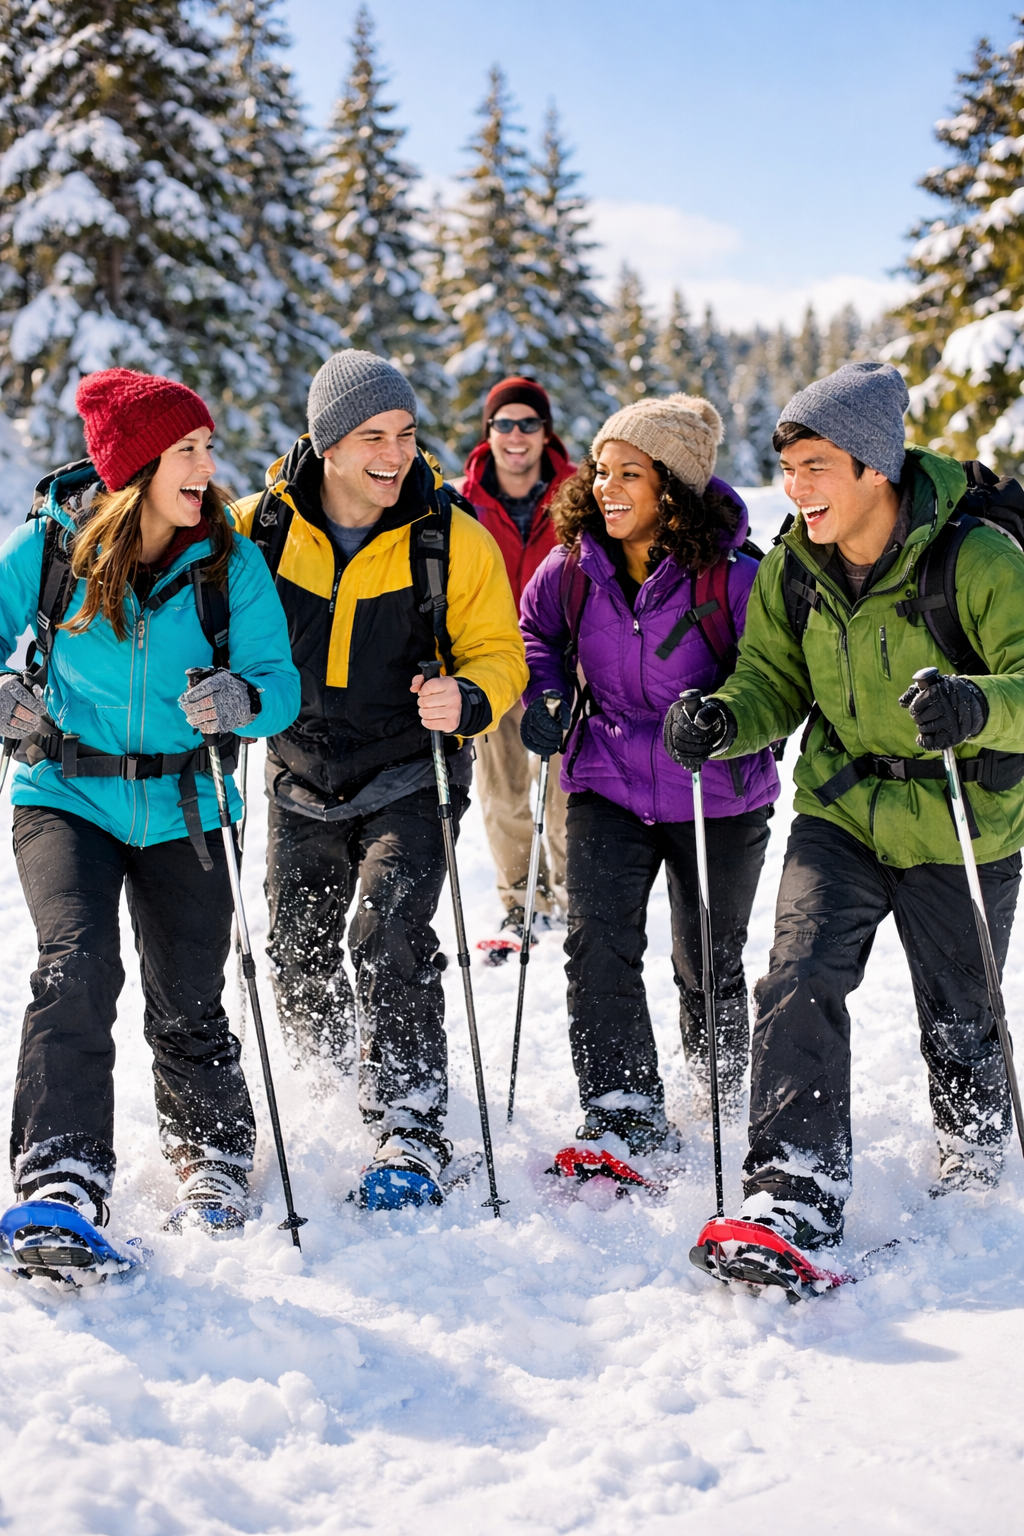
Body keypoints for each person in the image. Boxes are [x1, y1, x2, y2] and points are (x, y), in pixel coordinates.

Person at [665, 361, 1024, 1257]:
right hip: (843, 810)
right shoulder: (794, 565)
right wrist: (724, 718)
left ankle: (974, 1138)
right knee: (797, 976)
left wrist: (976, 705)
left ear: (875, 467)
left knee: (961, 1005)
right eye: (787, 469)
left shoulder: (977, 559)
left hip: (961, 818)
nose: (796, 488)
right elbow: (771, 682)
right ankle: (793, 1186)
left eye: (815, 466)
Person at [0, 368, 300, 1253]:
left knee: (188, 993)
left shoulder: (229, 562)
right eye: (186, 451)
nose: (207, 468)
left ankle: (209, 1151)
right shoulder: (50, 549)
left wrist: (243, 700)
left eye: (207, 448)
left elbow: (279, 684)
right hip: (65, 792)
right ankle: (60, 1168)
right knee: (76, 964)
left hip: (188, 802)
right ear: (134, 469)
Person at [230, 349, 527, 1207]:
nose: (393, 455)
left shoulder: (449, 536)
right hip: (296, 771)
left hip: (409, 770)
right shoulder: (257, 530)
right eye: (371, 437)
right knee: (298, 942)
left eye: (404, 434)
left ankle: (408, 1123)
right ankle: (325, 1090)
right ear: (326, 444)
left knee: (390, 928)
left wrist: (468, 697)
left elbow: (499, 653)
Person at [519, 394, 780, 1160]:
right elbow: (536, 634)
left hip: (717, 792)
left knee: (706, 957)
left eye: (630, 472)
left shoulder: (733, 579)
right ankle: (621, 1109)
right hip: (607, 781)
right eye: (602, 470)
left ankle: (717, 1082)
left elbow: (776, 677)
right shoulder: (573, 568)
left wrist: (723, 717)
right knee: (597, 944)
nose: (608, 487)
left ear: (674, 487)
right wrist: (547, 695)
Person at [457, 378, 575, 962]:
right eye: (504, 424)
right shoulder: (463, 499)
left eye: (528, 424)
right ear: (489, 432)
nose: (516, 436)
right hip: (490, 658)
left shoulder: (577, 496)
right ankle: (522, 900)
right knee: (502, 791)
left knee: (564, 790)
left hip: (564, 660)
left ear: (545, 432)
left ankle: (573, 897)